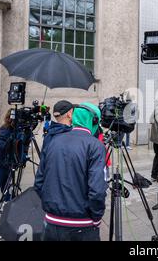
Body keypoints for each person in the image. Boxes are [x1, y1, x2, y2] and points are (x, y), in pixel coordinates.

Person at [35, 103, 108, 241]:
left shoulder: (52, 141)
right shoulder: (96, 146)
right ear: (93, 121)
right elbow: (97, 190)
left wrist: (51, 207)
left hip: (51, 223)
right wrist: (96, 217)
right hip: (82, 225)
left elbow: (39, 183)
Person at [149, 106, 158, 182]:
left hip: (155, 139)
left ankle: (154, 175)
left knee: (157, 156)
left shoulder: (155, 110)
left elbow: (151, 120)